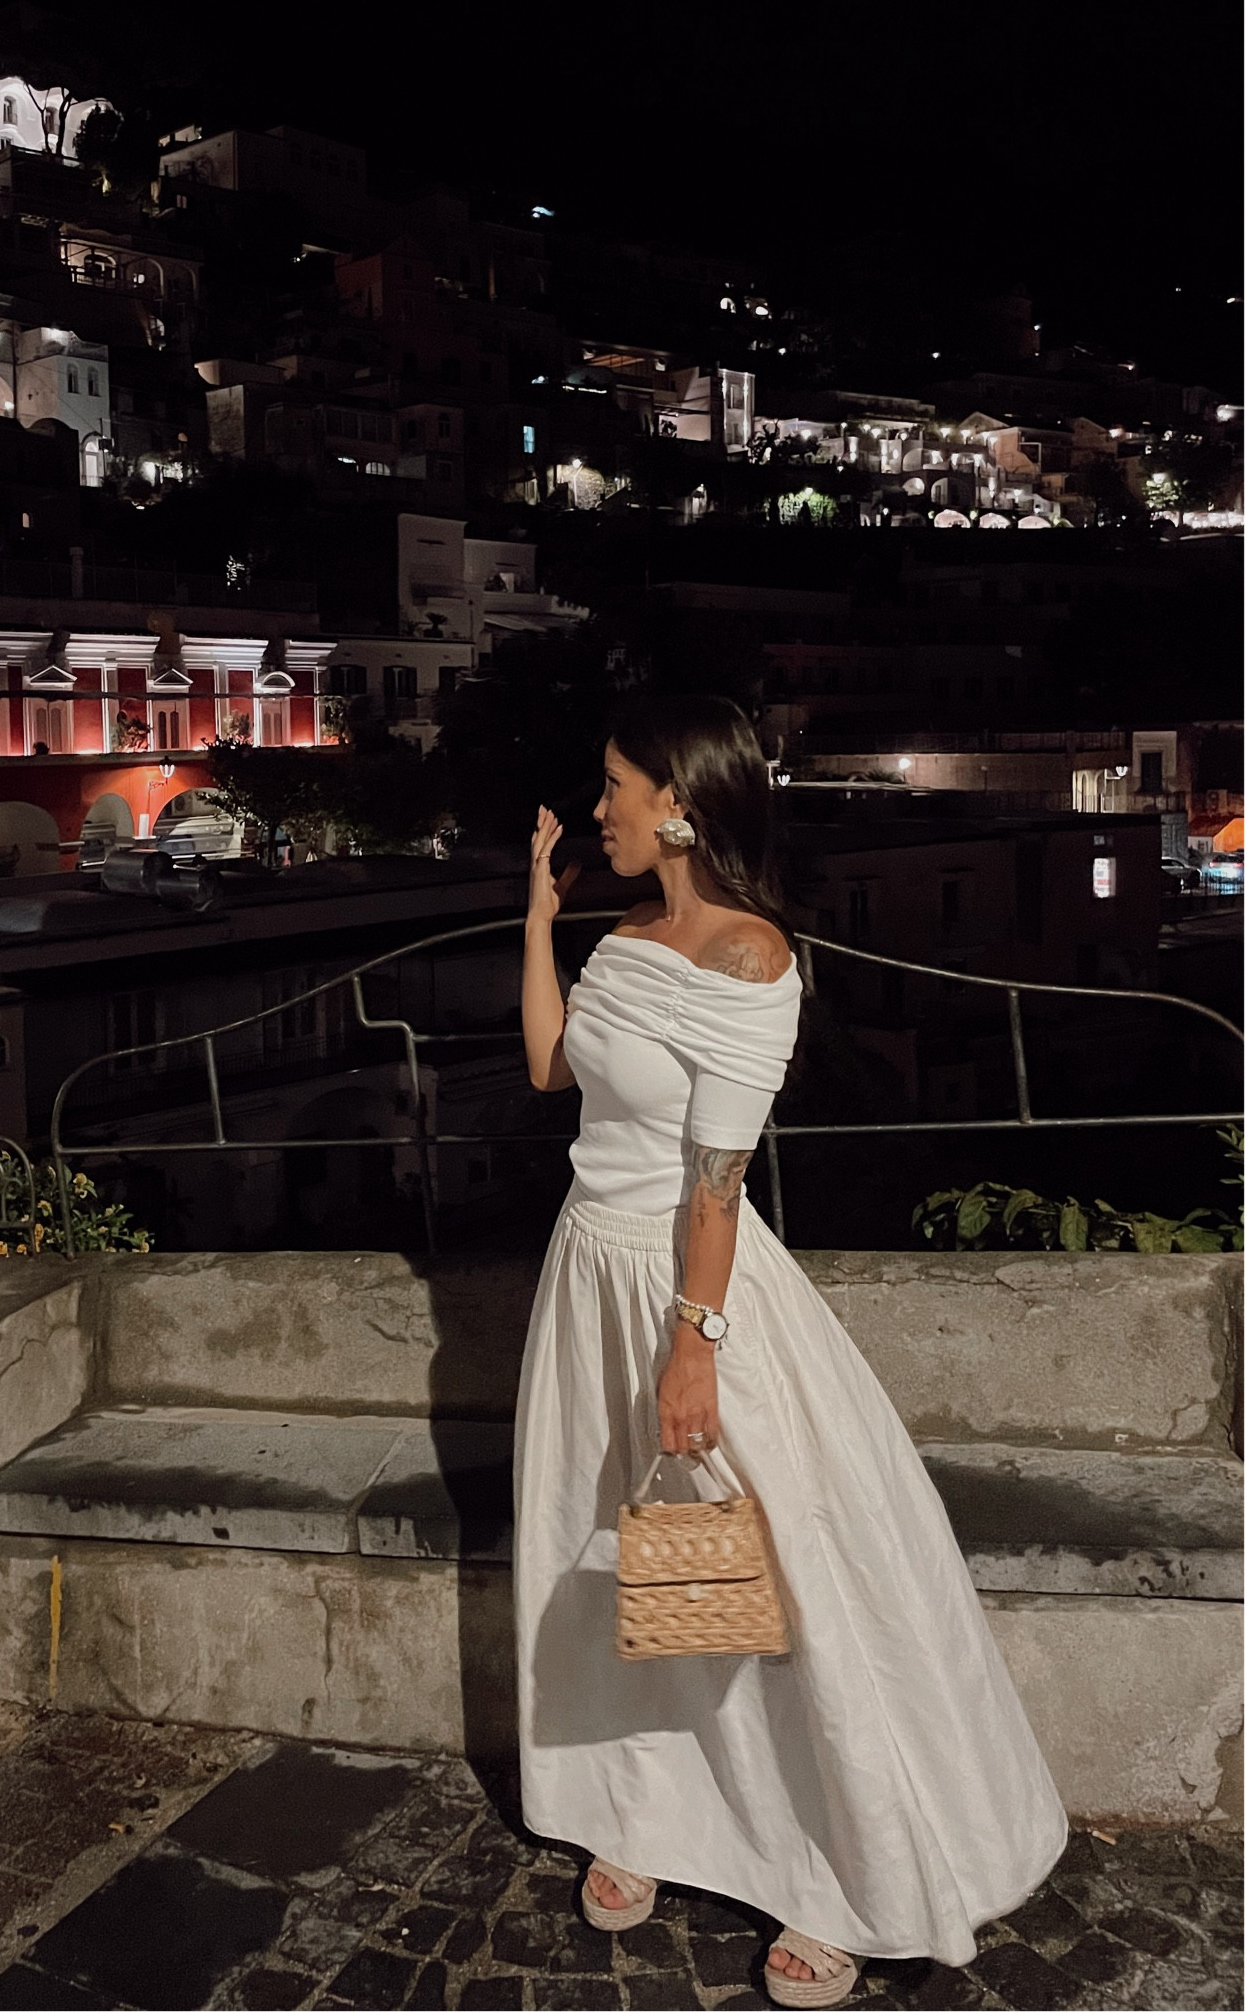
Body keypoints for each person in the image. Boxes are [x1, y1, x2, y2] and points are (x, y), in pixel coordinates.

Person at [514, 693, 1066, 2008]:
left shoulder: (755, 963)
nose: (600, 809)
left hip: (688, 1294)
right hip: (582, 1276)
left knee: (766, 1586)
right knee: (612, 1570)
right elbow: (548, 1070)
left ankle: (841, 1872)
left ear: (681, 805)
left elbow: (715, 1186)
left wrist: (692, 1350)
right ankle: (643, 1810)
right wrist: (535, 915)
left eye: (615, 787)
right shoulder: (621, 933)